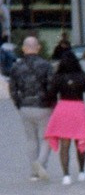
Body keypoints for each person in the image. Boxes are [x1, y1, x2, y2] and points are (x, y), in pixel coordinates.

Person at [8, 34, 55, 180]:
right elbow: (51, 86)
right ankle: (41, 163)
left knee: (31, 139)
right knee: (46, 138)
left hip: (25, 106)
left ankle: (34, 173)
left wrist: (18, 103)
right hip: (43, 106)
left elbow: (12, 88)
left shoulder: (16, 66)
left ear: (23, 49)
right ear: (39, 48)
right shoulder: (46, 65)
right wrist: (52, 103)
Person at [44, 54, 85, 183]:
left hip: (63, 109)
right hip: (78, 109)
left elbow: (51, 94)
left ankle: (66, 176)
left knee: (64, 144)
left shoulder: (58, 77)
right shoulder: (83, 75)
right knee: (80, 142)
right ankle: (82, 172)